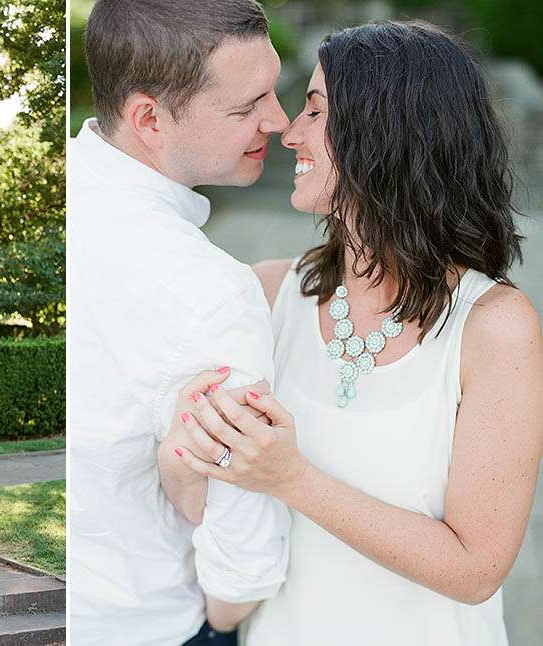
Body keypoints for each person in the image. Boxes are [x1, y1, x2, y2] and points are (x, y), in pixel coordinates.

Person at [165, 21, 543, 646]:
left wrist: (290, 478)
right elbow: (210, 514)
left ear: (387, 133)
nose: (290, 133)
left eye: (314, 110)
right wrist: (187, 453)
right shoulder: (263, 295)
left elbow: (477, 568)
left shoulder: (494, 327)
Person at [68, 1, 294, 644]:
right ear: (150, 118)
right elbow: (244, 568)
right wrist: (222, 623)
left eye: (273, 90)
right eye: (246, 106)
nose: (277, 121)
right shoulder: (213, 295)